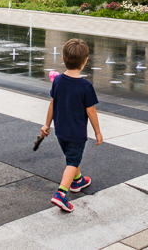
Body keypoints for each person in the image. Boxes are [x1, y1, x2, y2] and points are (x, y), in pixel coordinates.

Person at [39, 38, 102, 213]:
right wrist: (98, 132)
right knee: (73, 160)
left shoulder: (58, 80)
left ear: (63, 59)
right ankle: (61, 194)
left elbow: (52, 104)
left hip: (61, 130)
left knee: (72, 157)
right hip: (76, 132)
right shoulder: (86, 86)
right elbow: (91, 112)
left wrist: (46, 124)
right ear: (85, 61)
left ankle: (78, 180)